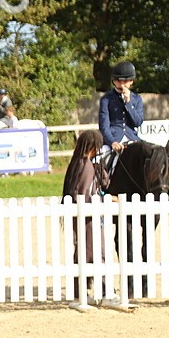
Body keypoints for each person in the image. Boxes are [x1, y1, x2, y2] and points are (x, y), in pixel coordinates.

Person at [63, 129, 111, 311]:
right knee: (95, 253)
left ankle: (82, 292)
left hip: (84, 217)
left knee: (85, 254)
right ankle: (104, 292)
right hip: (89, 218)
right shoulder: (86, 166)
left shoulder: (79, 163)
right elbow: (85, 194)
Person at [98, 61, 144, 168]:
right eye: (119, 81)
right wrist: (112, 142)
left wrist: (128, 103)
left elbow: (138, 122)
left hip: (132, 139)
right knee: (98, 160)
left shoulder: (137, 99)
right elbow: (104, 126)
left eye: (125, 81)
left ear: (131, 81)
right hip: (113, 140)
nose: (122, 85)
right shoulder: (106, 99)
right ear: (114, 81)